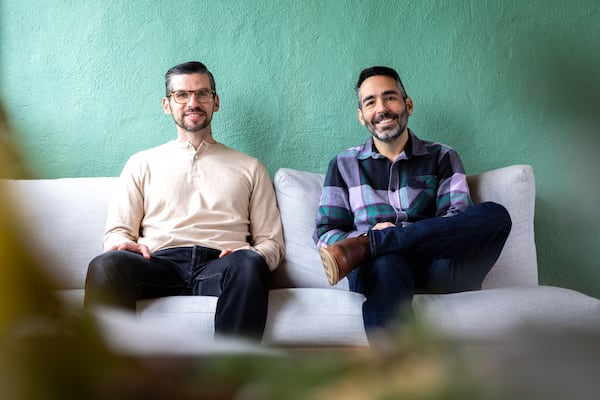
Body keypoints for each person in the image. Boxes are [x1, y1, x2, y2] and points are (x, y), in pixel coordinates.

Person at [85, 61, 284, 341]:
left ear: (215, 102)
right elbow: (117, 231)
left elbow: (271, 243)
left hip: (222, 263)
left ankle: (229, 378)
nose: (193, 102)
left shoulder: (250, 167)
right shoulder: (142, 163)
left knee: (250, 264)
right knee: (105, 265)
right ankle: (107, 382)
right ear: (167, 104)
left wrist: (250, 254)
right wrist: (120, 244)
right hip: (157, 262)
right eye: (182, 95)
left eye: (202, 94)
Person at [314, 66, 511, 334]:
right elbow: (326, 232)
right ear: (362, 116)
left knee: (496, 216)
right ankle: (396, 372)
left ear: (408, 104)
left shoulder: (442, 156)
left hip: (437, 265)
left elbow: (457, 220)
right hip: (379, 270)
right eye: (370, 102)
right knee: (386, 263)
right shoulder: (343, 164)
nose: (382, 108)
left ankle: (376, 244)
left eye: (390, 97)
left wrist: (392, 238)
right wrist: (370, 235)